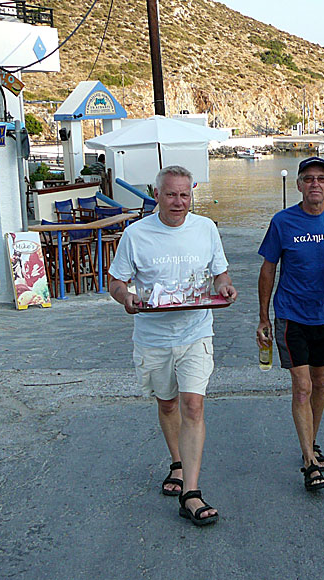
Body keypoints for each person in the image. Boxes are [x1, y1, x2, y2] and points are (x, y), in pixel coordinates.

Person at [108, 165, 237, 527]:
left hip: (196, 329)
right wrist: (126, 298)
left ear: (191, 195)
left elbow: (220, 273)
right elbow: (116, 281)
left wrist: (225, 287)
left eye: (184, 195)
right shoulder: (136, 234)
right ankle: (177, 463)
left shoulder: (206, 228)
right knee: (168, 404)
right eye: (171, 194)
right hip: (153, 337)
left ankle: (190, 493)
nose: (178, 202)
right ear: (157, 194)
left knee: (192, 406)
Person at [256, 156, 324, 493]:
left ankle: (311, 441)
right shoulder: (283, 221)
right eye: (308, 178)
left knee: (321, 381)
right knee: (302, 387)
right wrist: (263, 316)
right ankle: (309, 462)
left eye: (322, 178)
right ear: (299, 184)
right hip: (291, 315)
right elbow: (268, 269)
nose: (315, 184)